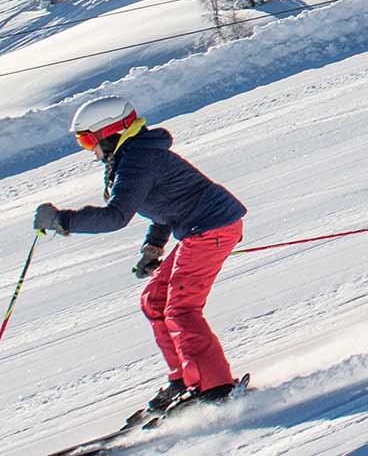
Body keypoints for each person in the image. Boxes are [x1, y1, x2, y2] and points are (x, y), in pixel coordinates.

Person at [34, 96, 248, 420]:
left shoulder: (138, 160)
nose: (89, 149)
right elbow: (164, 206)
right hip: (200, 227)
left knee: (181, 308)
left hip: (211, 226)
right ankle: (184, 379)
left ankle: (216, 390)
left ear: (111, 131)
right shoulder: (133, 157)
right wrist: (153, 247)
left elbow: (116, 217)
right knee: (154, 300)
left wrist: (63, 221)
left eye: (88, 139)